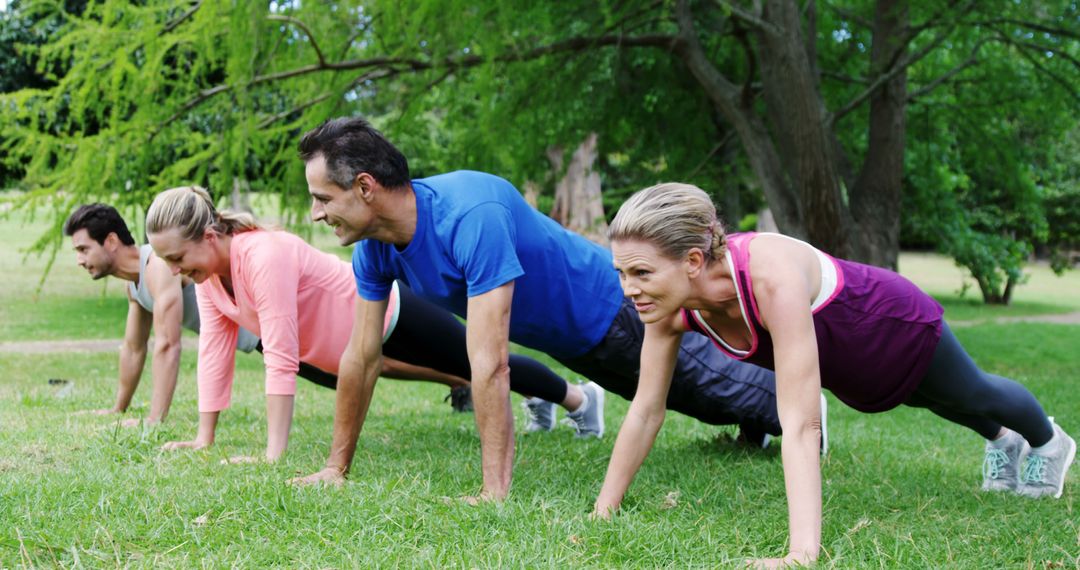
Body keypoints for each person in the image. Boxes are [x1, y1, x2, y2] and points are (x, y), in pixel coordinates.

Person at [291, 117, 788, 501]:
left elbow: (489, 362)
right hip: (568, 339)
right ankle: (756, 427)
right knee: (692, 398)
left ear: (363, 187)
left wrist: (493, 491)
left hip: (610, 308)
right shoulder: (374, 248)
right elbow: (360, 356)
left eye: (321, 198)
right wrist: (336, 468)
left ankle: (801, 417)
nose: (316, 213)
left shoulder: (470, 215)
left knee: (707, 386)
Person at [597, 182, 1076, 568]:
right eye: (622, 273)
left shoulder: (769, 276)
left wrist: (801, 554)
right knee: (931, 401)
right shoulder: (666, 309)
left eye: (640, 272)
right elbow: (644, 410)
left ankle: (1046, 441)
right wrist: (605, 508)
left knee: (971, 392)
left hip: (892, 325)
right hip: (851, 371)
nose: (629, 289)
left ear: (693, 261)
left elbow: (802, 425)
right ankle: (1001, 439)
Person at [144, 186, 587, 461]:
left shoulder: (262, 254)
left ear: (206, 237)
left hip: (391, 314)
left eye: (176, 258)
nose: (174, 270)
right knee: (453, 375)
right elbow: (214, 352)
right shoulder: (209, 276)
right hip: (345, 351)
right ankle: (543, 399)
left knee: (472, 366)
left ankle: (578, 399)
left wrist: (272, 456)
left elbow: (279, 352)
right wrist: (205, 438)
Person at [63, 203, 259, 426]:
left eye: (83, 250)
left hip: (268, 331)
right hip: (261, 340)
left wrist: (153, 420)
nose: (79, 260)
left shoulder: (159, 265)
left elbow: (168, 345)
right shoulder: (134, 286)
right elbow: (134, 348)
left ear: (111, 241)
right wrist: (118, 409)